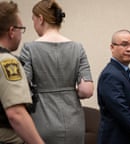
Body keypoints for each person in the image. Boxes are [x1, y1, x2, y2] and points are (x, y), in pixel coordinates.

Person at [19, 0, 94, 143]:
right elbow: (87, 91)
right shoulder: (77, 48)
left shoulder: (29, 48)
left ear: (40, 18)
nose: (34, 25)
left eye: (33, 20)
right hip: (74, 124)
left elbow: (23, 88)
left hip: (42, 121)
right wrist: (68, 92)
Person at [0, 1, 45, 144]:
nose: (21, 33)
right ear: (12, 31)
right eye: (21, 28)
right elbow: (16, 114)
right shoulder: (8, 62)